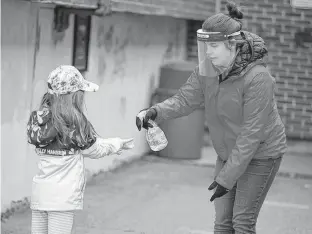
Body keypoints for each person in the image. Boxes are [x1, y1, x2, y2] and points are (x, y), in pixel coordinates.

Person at [136, 1, 287, 233]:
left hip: (261, 154)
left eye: (214, 46)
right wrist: (155, 111)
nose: (208, 52)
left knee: (242, 223)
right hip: (228, 152)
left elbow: (251, 134)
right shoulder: (207, 71)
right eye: (205, 45)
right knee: (222, 223)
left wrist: (225, 179)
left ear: (232, 44)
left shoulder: (258, 78)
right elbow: (184, 100)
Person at [27, 65, 134, 234]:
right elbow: (93, 150)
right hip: (62, 198)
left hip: (40, 194)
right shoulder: (73, 122)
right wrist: (117, 144)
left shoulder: (39, 119)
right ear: (73, 96)